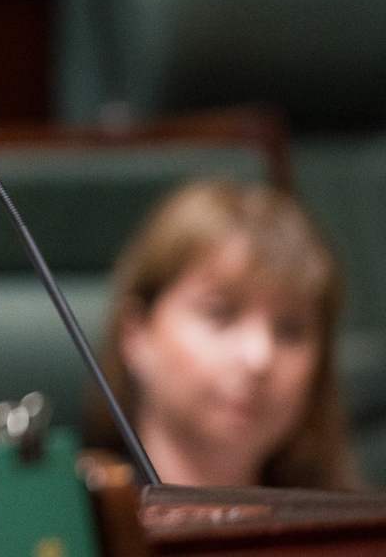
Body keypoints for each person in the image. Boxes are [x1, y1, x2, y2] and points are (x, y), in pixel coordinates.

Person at [89, 179, 361, 489]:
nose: (259, 357)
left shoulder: (357, 530)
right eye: (221, 314)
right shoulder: (62, 524)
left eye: (290, 330)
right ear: (135, 334)